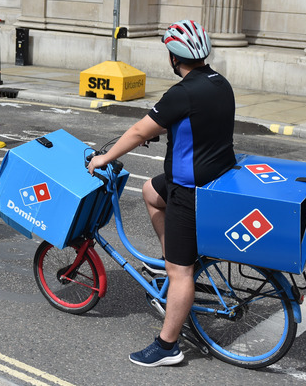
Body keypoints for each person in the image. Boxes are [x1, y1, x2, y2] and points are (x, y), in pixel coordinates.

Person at [86, 20, 236, 367]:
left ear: (173, 57)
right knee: (151, 191)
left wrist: (104, 158)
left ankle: (168, 345)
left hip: (190, 189)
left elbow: (139, 130)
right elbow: (197, 123)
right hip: (213, 177)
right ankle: (175, 259)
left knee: (180, 272)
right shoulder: (219, 83)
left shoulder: (181, 93)